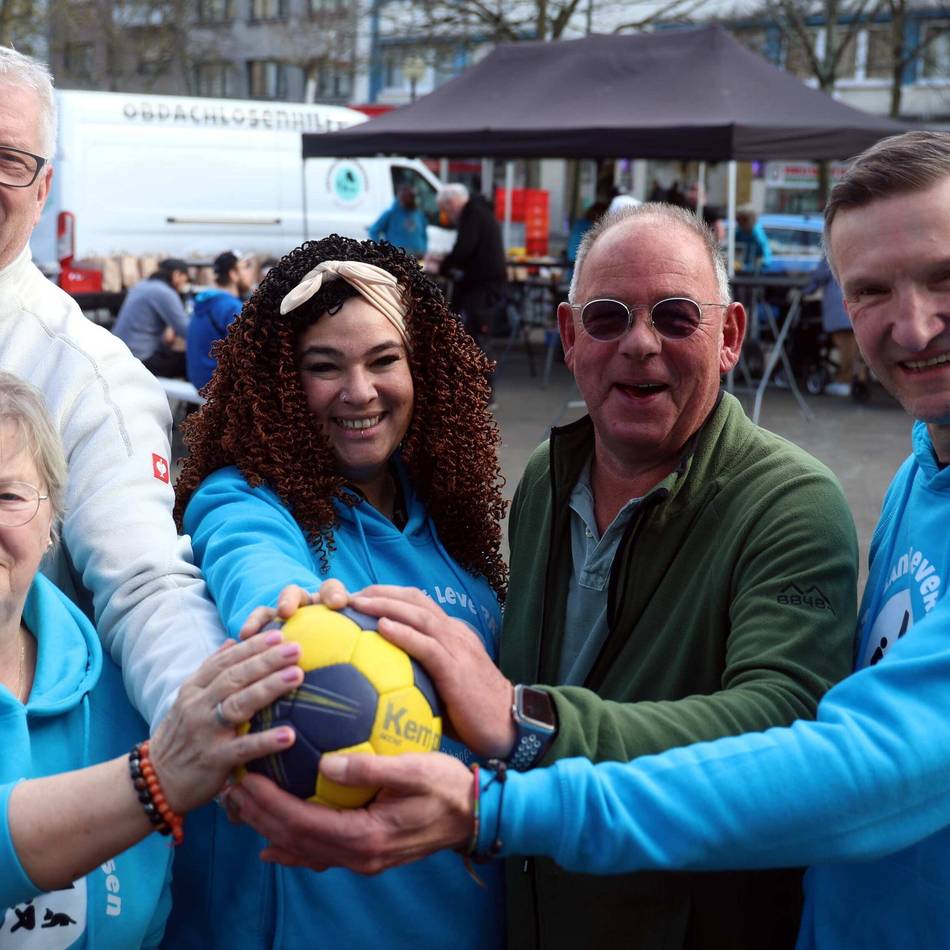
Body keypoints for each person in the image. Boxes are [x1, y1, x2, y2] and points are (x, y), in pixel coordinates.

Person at [222, 130, 950, 950]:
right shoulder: (543, 480)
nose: (638, 341)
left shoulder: (789, 501)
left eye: (676, 316)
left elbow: (787, 722)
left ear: (732, 336)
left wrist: (526, 726)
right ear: (569, 337)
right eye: (608, 317)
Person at [162, 236, 508, 949]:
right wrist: (289, 614)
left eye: (384, 360)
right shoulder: (247, 500)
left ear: (425, 370)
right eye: (325, 368)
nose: (360, 392)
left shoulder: (451, 529)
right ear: (284, 386)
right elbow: (252, 566)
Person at [0, 370, 304, 947]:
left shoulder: (120, 691)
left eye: (7, 496)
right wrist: (155, 779)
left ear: (52, 524)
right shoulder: (159, 748)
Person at [0, 45, 224, 727]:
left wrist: (209, 720)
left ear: (42, 193)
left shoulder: (85, 374)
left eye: (9, 160)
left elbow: (145, 582)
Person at [436, 183, 508, 347]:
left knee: (473, 336)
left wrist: (443, 267)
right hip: (485, 283)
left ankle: (478, 370)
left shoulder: (472, 215)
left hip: (483, 286)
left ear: (451, 203)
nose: (446, 215)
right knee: (472, 335)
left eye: (445, 210)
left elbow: (464, 248)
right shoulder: (480, 212)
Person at [185, 249, 256, 391]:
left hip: (199, 380)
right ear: (233, 274)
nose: (250, 273)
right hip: (218, 385)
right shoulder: (231, 307)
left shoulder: (205, 300)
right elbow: (250, 349)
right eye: (245, 267)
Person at [112, 258, 191, 378]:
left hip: (121, 352)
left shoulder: (142, 285)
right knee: (190, 362)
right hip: (140, 357)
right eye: (185, 279)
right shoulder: (165, 292)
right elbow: (186, 330)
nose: (185, 283)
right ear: (176, 275)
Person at [803, 256, 863, 398]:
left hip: (838, 305)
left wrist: (806, 289)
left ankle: (844, 380)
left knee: (844, 345)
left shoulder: (833, 246)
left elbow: (820, 275)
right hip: (854, 300)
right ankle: (856, 378)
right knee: (855, 347)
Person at [368, 183, 428, 258]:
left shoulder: (419, 214)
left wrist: (424, 249)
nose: (407, 199)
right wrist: (381, 249)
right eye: (404, 197)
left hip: (418, 256)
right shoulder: (391, 213)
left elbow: (424, 235)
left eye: (410, 197)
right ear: (400, 197)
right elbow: (373, 230)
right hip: (397, 257)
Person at [735, 204, 773, 272]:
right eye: (738, 220)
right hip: (742, 267)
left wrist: (763, 262)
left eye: (741, 220)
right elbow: (736, 248)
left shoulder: (757, 232)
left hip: (755, 269)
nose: (739, 222)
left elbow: (765, 249)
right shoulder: (739, 231)